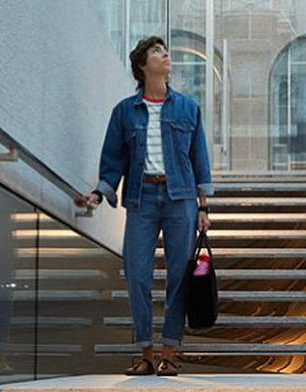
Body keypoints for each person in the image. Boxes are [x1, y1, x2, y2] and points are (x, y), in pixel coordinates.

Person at [79, 36, 212, 376]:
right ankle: (146, 353)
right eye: (156, 51)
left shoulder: (188, 108)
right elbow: (113, 158)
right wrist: (100, 192)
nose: (165, 55)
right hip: (141, 197)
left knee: (179, 276)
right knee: (137, 274)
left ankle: (170, 351)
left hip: (180, 197)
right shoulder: (125, 111)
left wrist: (203, 206)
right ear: (142, 65)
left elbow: (199, 158)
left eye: (165, 51)